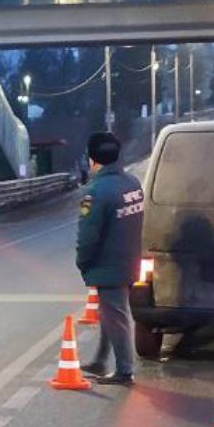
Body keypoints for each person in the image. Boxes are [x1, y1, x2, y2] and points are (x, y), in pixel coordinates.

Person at [75, 132, 144, 386]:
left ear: (93, 159)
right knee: (110, 313)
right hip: (129, 260)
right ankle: (101, 359)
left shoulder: (96, 193)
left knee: (116, 316)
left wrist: (83, 261)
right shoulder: (133, 184)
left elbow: (88, 236)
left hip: (107, 265)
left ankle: (125, 370)